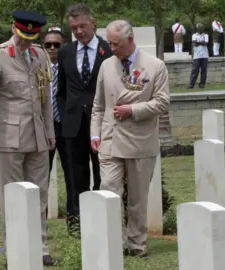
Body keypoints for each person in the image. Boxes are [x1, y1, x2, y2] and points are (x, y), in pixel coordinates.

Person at [0, 10, 60, 266]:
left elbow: (45, 99)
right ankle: (13, 248)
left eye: (31, 37)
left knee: (40, 194)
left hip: (38, 137)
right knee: (11, 195)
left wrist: (50, 133)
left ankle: (41, 246)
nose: (26, 42)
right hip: (9, 136)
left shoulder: (40, 55)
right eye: (23, 37)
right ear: (14, 29)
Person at [90, 20, 170, 258]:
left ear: (130, 40)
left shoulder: (155, 66)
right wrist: (96, 132)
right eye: (109, 43)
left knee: (136, 199)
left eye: (116, 44)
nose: (111, 48)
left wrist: (133, 110)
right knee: (109, 190)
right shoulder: (106, 66)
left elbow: (163, 102)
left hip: (139, 141)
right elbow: (98, 105)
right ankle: (113, 241)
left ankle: (136, 244)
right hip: (110, 141)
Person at [56, 2, 112, 235]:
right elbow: (61, 90)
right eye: (74, 28)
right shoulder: (65, 52)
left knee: (103, 174)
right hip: (73, 124)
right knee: (75, 176)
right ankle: (76, 224)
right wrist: (65, 114)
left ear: (93, 23)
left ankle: (101, 221)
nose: (79, 31)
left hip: (102, 123)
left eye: (82, 26)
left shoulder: (108, 50)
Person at [44, 26, 71, 217]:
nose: (52, 48)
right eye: (48, 44)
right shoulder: (36, 68)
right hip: (45, 127)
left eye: (57, 44)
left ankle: (73, 219)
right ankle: (40, 217)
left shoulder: (70, 67)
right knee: (41, 175)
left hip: (67, 126)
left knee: (71, 174)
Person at [188, 23, 209, 89]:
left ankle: (202, 84)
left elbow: (205, 43)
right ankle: (191, 85)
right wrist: (201, 42)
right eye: (201, 28)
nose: (203, 29)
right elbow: (194, 43)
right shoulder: (194, 35)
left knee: (204, 71)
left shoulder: (206, 35)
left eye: (203, 28)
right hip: (197, 56)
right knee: (194, 70)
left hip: (204, 55)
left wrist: (198, 42)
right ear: (198, 29)